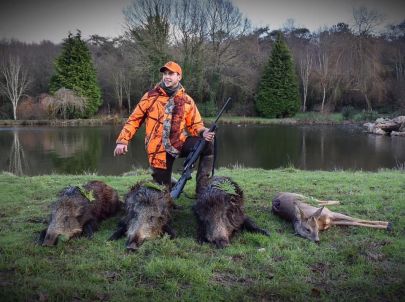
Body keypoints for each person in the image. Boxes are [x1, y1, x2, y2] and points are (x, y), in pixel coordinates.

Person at [114, 61, 215, 193]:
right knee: (163, 191)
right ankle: (169, 181)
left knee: (208, 143)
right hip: (158, 150)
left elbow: (195, 124)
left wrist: (203, 132)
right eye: (165, 74)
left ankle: (202, 187)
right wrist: (122, 141)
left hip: (179, 143)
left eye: (171, 74)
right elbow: (134, 120)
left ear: (179, 77)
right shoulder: (150, 96)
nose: (167, 77)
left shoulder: (187, 100)